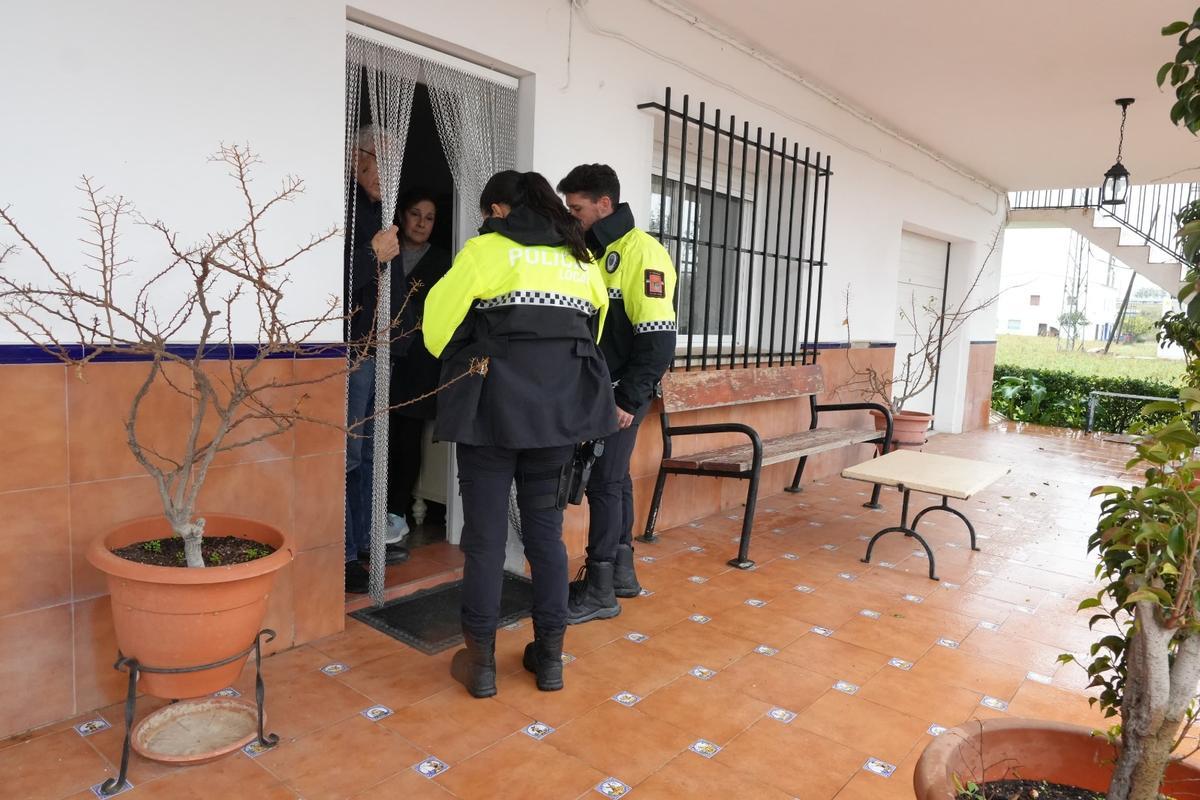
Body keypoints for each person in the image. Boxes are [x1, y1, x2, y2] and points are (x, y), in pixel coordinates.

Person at [423, 170, 616, 697]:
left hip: (491, 416)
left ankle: (481, 662)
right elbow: (591, 335)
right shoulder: (583, 259)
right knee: (545, 537)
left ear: (499, 210)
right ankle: (550, 657)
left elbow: (436, 330)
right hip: (557, 420)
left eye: (487, 212)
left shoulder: (487, 251)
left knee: (485, 542)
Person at [557, 164, 677, 625]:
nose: (573, 216)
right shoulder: (596, 250)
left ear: (604, 205)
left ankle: (600, 589)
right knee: (616, 478)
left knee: (604, 482)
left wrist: (628, 400)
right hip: (604, 390)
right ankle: (621, 573)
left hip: (621, 393)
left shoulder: (641, 252)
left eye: (578, 208)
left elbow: (657, 339)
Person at [344, 126, 412, 595]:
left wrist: (399, 342)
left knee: (370, 452)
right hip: (348, 351)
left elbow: (398, 281)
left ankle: (367, 541)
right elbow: (327, 278)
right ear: (356, 157)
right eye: (379, 163)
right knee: (347, 453)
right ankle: (344, 553)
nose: (388, 176)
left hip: (378, 347)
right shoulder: (343, 207)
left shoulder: (379, 211)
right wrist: (372, 254)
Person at [387, 189, 451, 533]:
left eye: (429, 218)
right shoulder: (385, 252)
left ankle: (396, 511)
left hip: (421, 360)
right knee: (379, 436)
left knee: (407, 436)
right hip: (383, 355)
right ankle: (375, 507)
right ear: (400, 215)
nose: (421, 223)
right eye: (415, 214)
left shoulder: (443, 261)